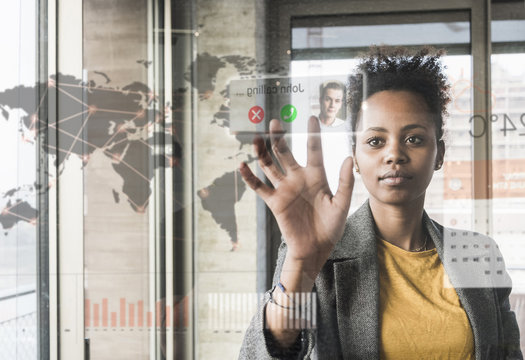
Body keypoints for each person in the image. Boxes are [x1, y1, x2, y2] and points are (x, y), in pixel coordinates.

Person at [238, 46, 522, 359]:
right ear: (356, 158)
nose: (394, 154)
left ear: (439, 154)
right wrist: (301, 265)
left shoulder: (479, 255)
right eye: (376, 141)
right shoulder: (318, 251)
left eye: (414, 138)